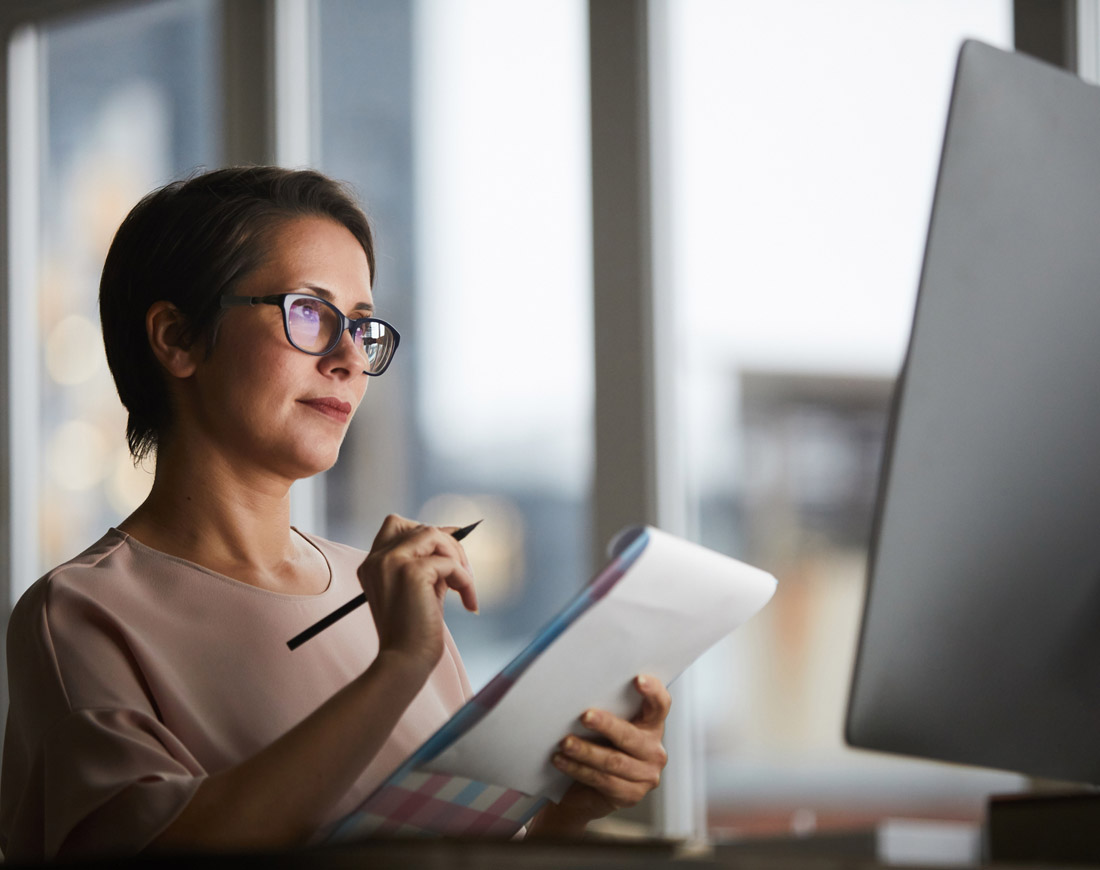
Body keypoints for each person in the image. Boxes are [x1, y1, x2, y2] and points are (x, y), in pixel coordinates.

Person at [0, 166, 670, 860]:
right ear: (176, 338)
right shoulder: (80, 615)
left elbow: (455, 850)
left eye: (361, 325)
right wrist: (399, 666)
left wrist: (568, 812)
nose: (351, 357)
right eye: (310, 314)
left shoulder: (381, 591)